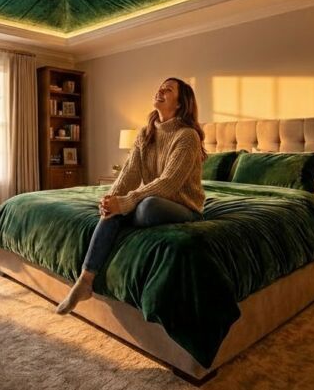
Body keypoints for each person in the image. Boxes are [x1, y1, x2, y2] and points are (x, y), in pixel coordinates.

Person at [56, 77, 207, 315]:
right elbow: (128, 175)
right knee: (119, 207)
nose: (160, 90)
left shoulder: (187, 136)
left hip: (184, 206)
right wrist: (111, 199)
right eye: (160, 86)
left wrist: (125, 203)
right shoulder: (145, 134)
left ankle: (122, 213)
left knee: (145, 207)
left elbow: (168, 183)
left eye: (168, 89)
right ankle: (85, 281)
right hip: (152, 199)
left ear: (180, 103)